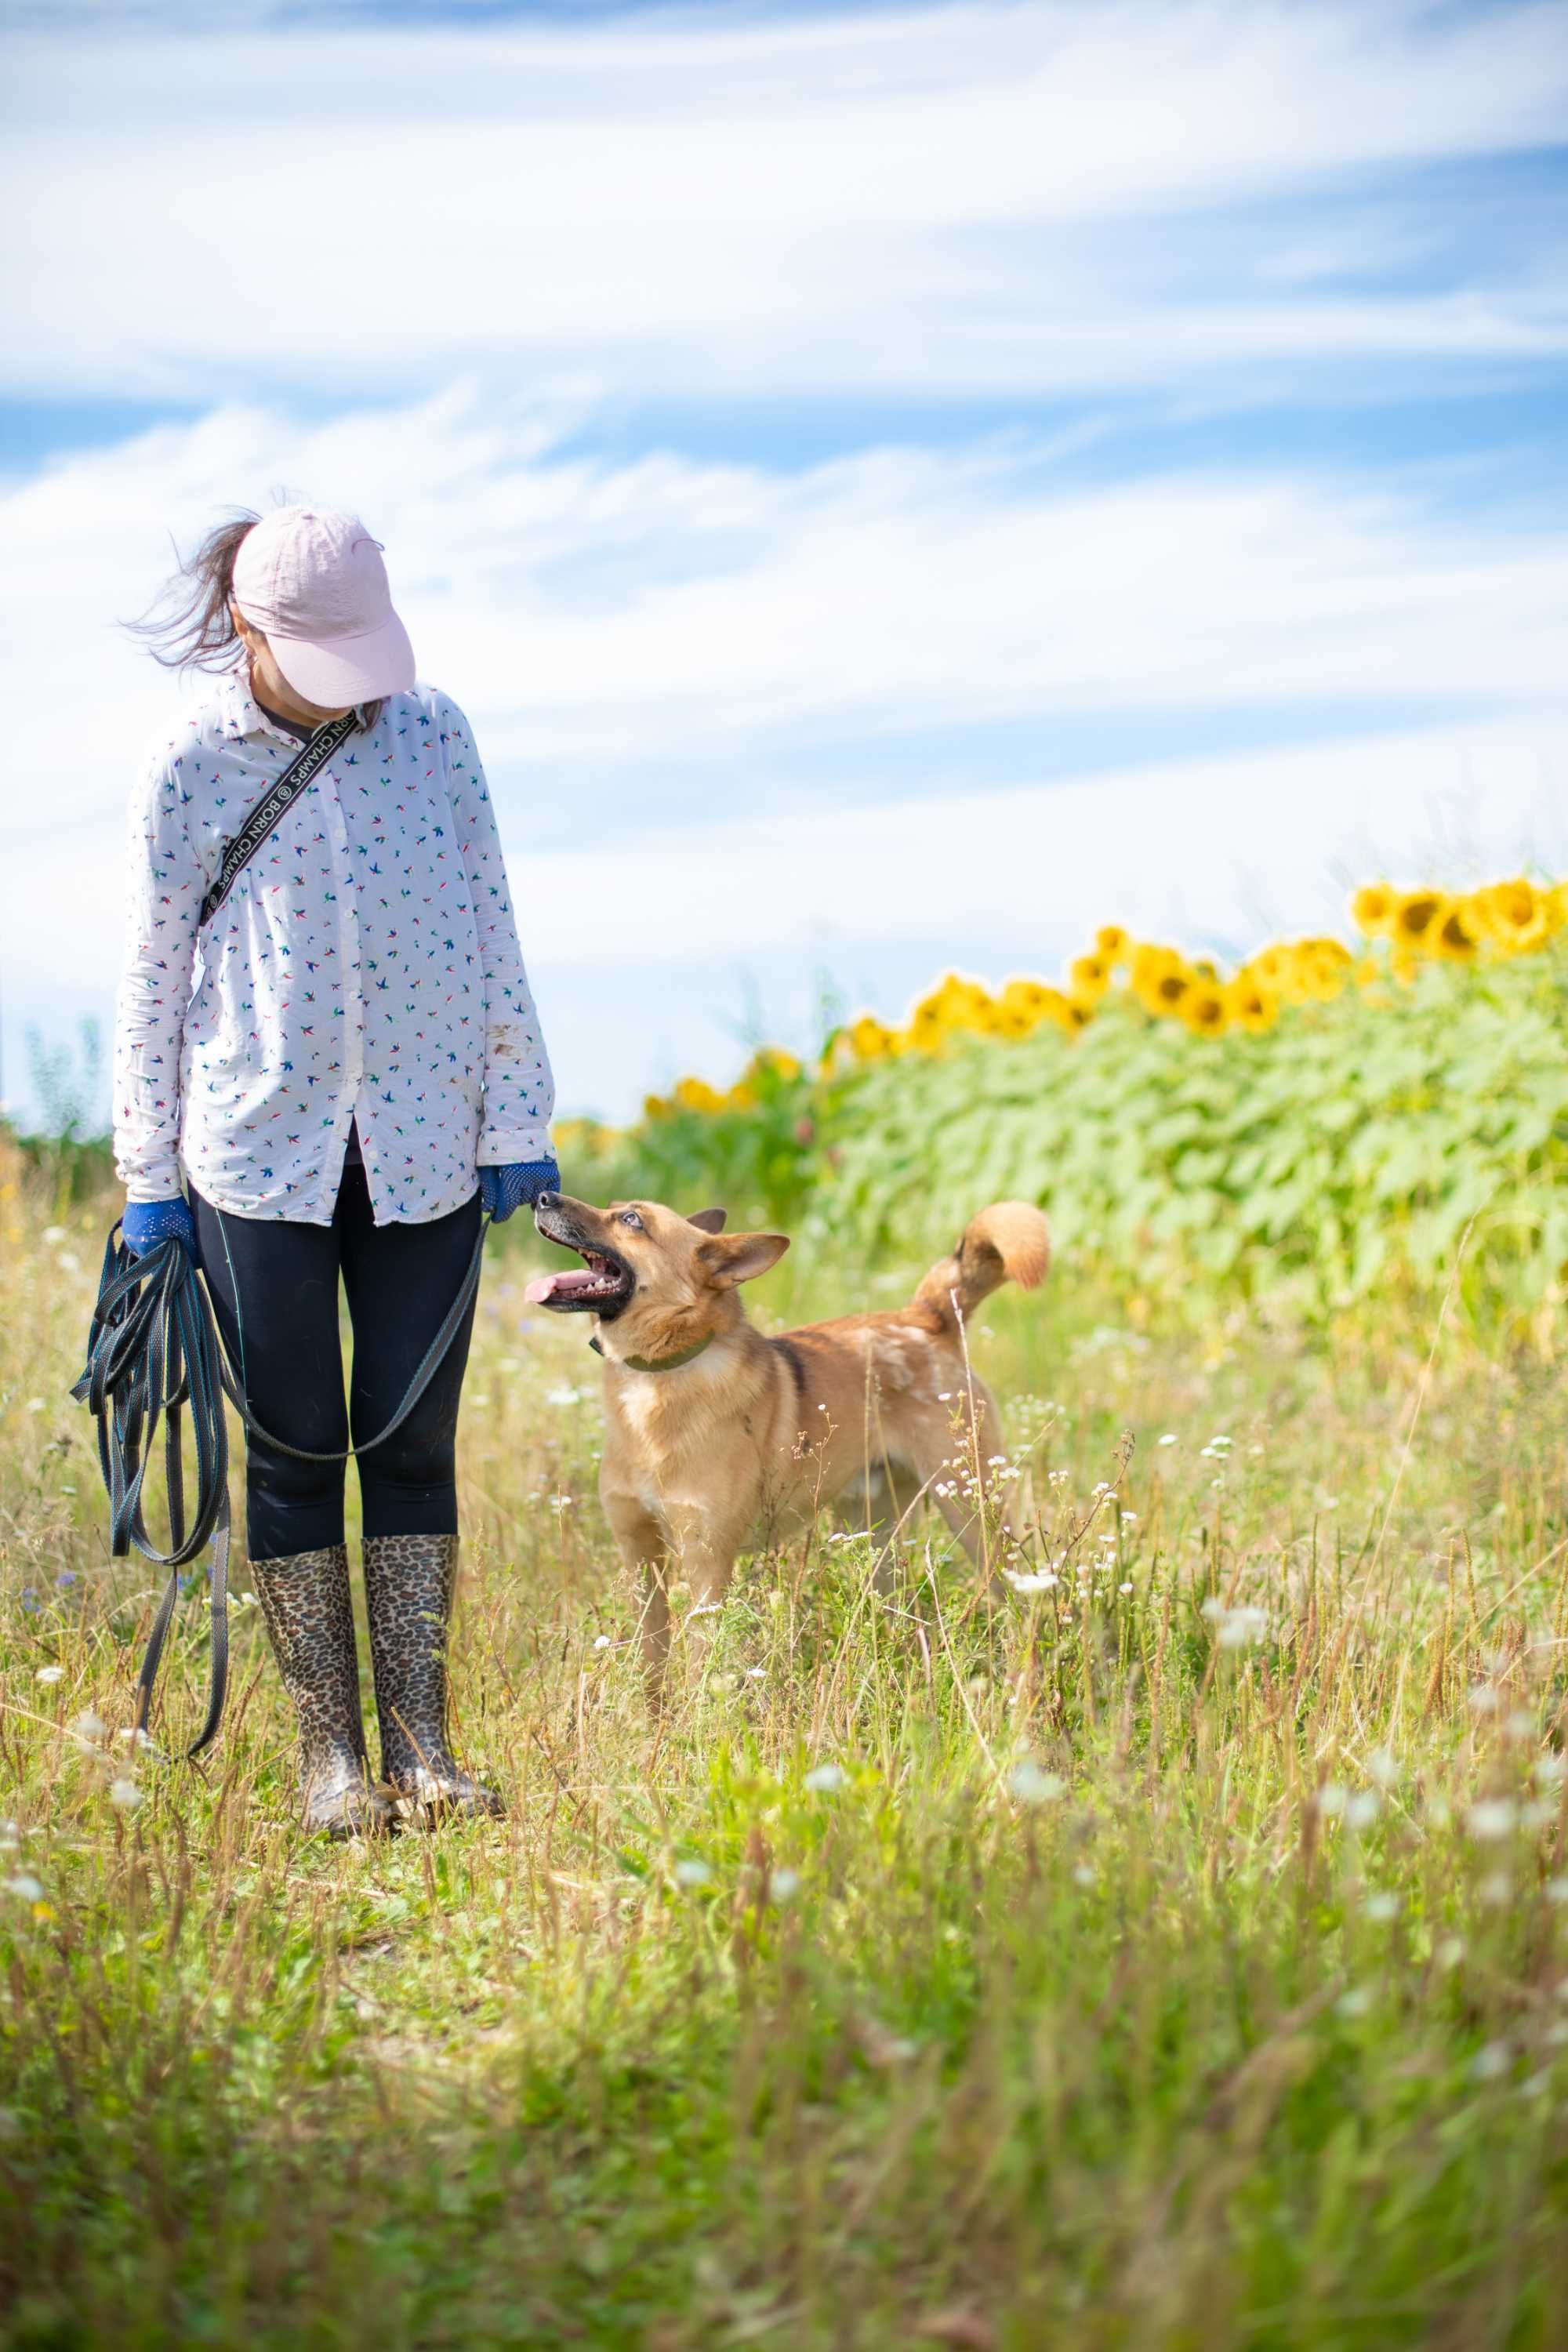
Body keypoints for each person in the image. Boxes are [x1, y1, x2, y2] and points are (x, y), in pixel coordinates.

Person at [114, 504, 557, 1836]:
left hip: (430, 1137)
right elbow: (153, 970)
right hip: (256, 1150)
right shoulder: (192, 764)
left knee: (413, 1446)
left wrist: (517, 1109)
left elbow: (491, 916)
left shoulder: (438, 734)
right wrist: (148, 1171)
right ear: (249, 629)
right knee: (296, 1453)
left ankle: (424, 1747)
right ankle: (332, 1763)